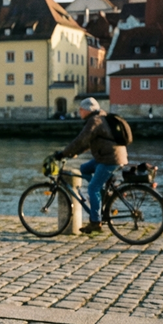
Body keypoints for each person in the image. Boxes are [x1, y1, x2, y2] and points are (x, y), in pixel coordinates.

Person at [54, 97, 127, 234]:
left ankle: (95, 222)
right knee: (84, 169)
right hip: (112, 156)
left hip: (110, 159)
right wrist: (74, 153)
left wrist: (63, 153)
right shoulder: (102, 116)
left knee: (93, 188)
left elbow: (80, 139)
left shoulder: (94, 121)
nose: (79, 113)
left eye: (80, 110)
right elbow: (88, 143)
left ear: (86, 110)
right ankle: (101, 195)